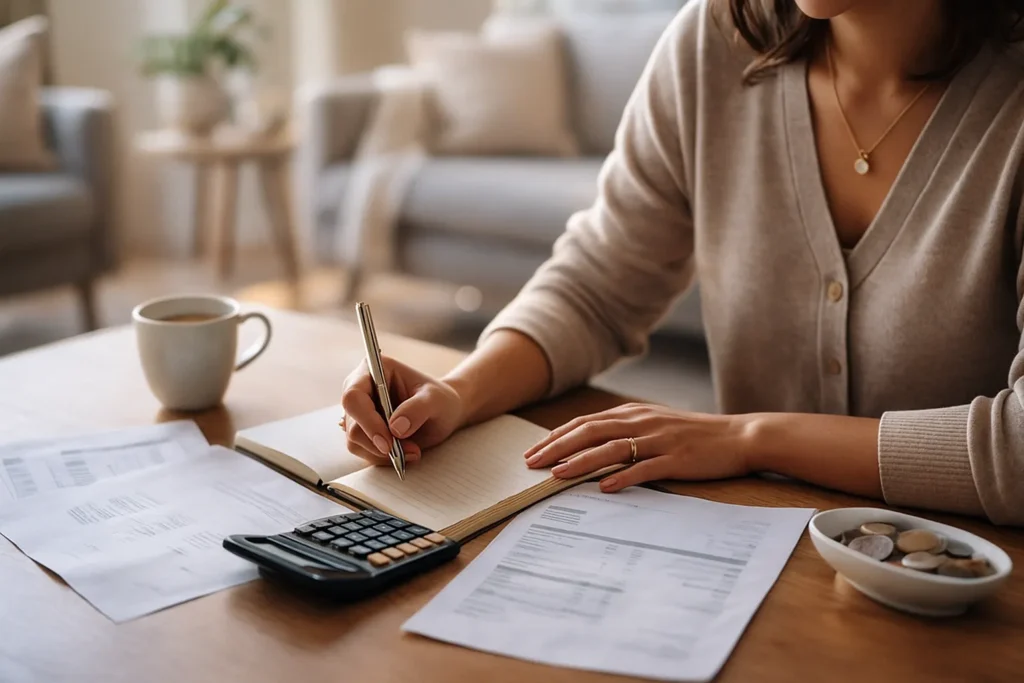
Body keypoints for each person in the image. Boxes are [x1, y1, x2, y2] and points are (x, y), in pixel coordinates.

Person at [341, 0, 1024, 525]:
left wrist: (754, 438)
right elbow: (599, 283)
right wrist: (459, 392)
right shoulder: (715, 41)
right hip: (761, 552)